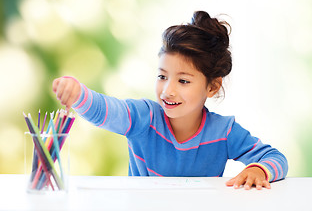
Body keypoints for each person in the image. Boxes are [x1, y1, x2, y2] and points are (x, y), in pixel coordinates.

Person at [52, 11, 288, 190]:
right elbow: (107, 110)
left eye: (183, 81)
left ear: (213, 86)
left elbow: (275, 158)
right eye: (162, 76)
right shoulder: (144, 118)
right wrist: (79, 95)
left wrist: (259, 169)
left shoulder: (224, 132)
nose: (167, 90)